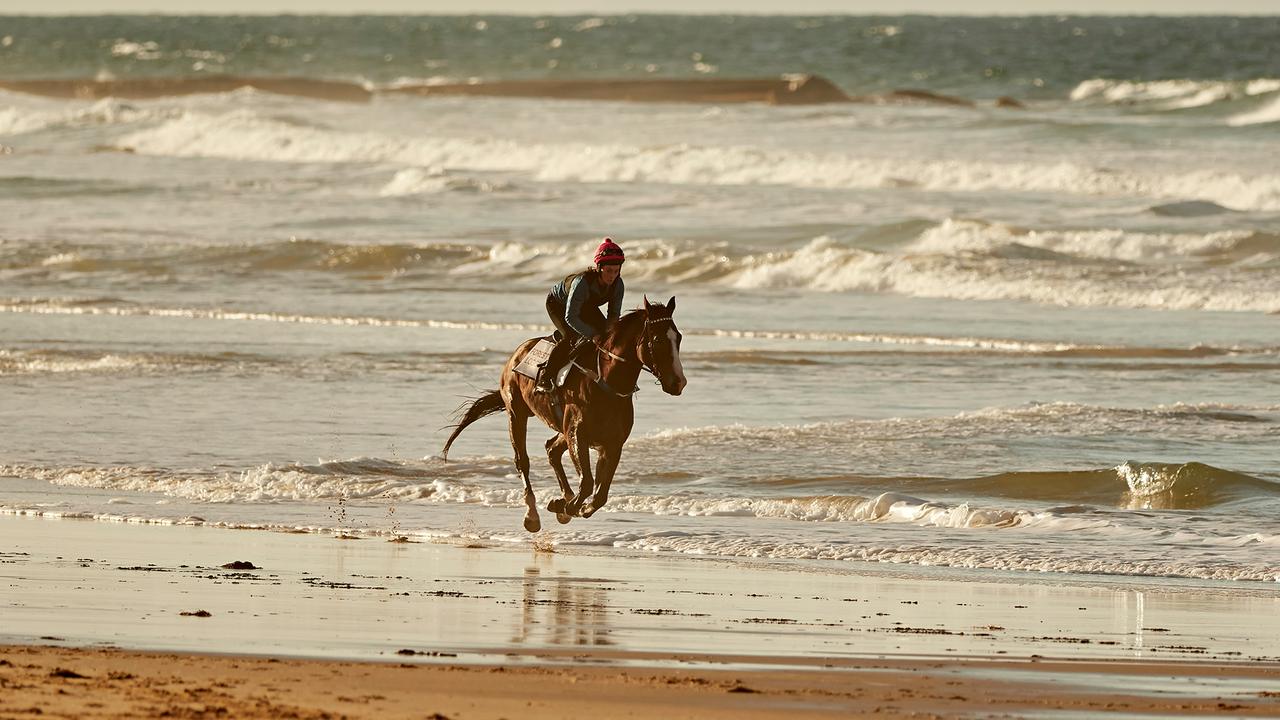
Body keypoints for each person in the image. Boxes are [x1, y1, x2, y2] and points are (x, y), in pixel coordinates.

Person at [535, 238, 626, 393]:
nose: (612, 276)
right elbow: (570, 317)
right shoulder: (582, 283)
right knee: (570, 336)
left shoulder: (618, 285)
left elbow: (613, 316)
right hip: (558, 304)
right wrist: (592, 335)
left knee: (605, 334)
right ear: (599, 268)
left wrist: (608, 336)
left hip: (585, 305)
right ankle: (546, 376)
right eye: (608, 271)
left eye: (616, 271)